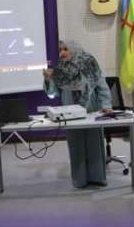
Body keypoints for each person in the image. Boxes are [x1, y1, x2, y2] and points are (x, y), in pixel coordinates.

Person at [43, 40, 112, 188]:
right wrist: (48, 80)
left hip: (91, 112)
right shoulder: (60, 70)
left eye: (65, 49)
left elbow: (102, 87)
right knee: (76, 147)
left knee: (94, 145)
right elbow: (53, 93)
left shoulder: (89, 65)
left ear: (74, 50)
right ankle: (80, 180)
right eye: (60, 50)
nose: (62, 52)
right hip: (70, 114)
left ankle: (97, 178)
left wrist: (106, 105)